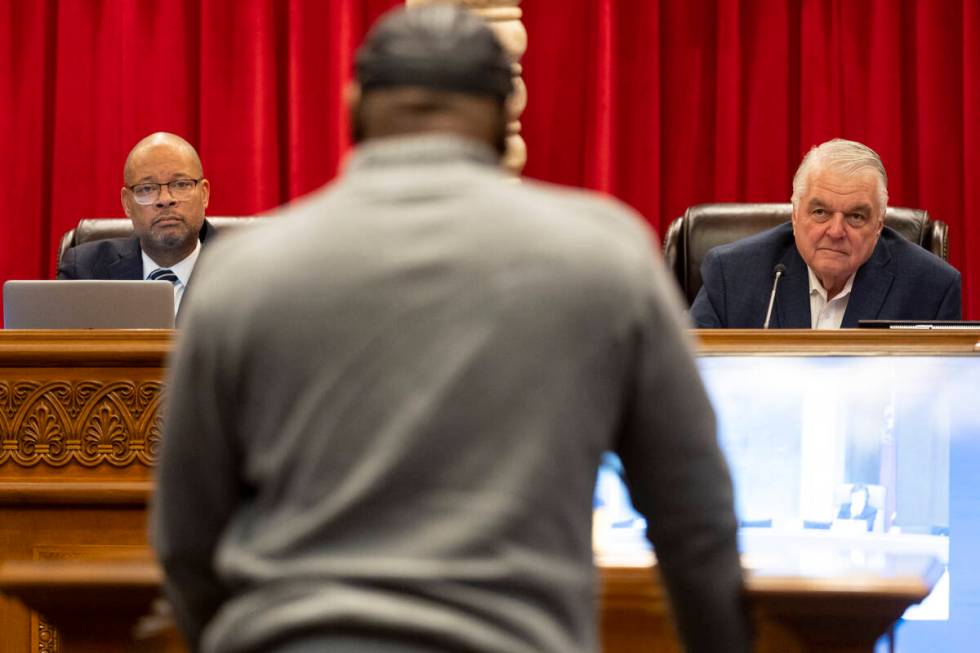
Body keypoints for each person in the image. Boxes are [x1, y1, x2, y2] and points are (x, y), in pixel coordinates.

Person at [151, 6, 748, 653]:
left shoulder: (240, 274)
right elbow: (696, 521)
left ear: (353, 105)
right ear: (504, 114)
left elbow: (185, 540)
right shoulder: (605, 256)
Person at [690, 138, 961, 328]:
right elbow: (691, 378)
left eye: (856, 216)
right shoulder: (731, 274)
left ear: (878, 225)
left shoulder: (931, 289)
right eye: (820, 212)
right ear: (795, 215)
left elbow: (939, 398)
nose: (835, 231)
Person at [57, 132, 214, 315]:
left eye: (180, 184)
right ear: (127, 203)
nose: (164, 199)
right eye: (147, 188)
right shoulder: (84, 270)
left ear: (204, 194)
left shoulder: (248, 275)